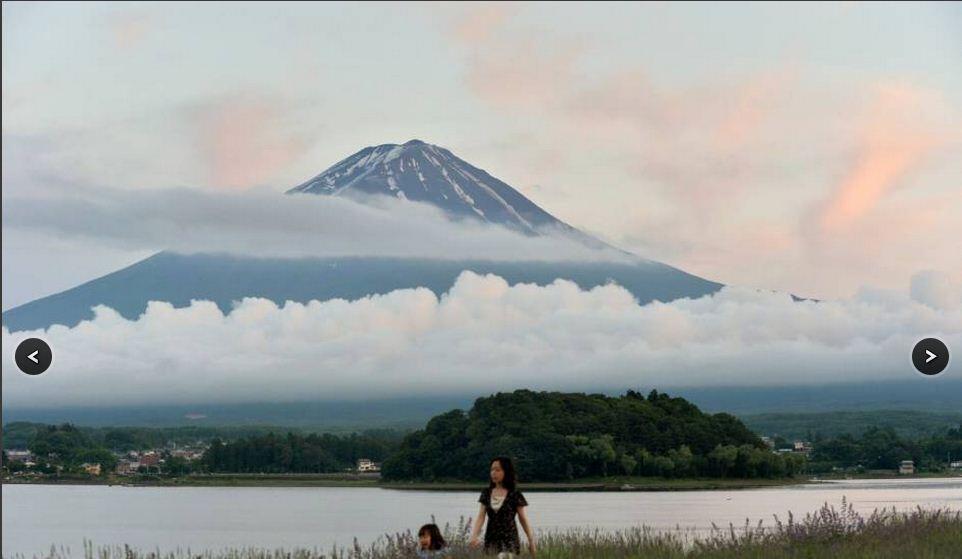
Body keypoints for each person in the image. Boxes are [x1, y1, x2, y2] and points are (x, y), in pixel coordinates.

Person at [469, 457, 536, 556]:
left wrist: (531, 540)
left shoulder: (514, 494)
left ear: (506, 472)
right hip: (491, 540)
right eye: (491, 470)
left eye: (497, 470)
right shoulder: (486, 493)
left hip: (509, 541)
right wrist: (474, 536)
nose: (493, 473)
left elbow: (523, 519)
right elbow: (481, 517)